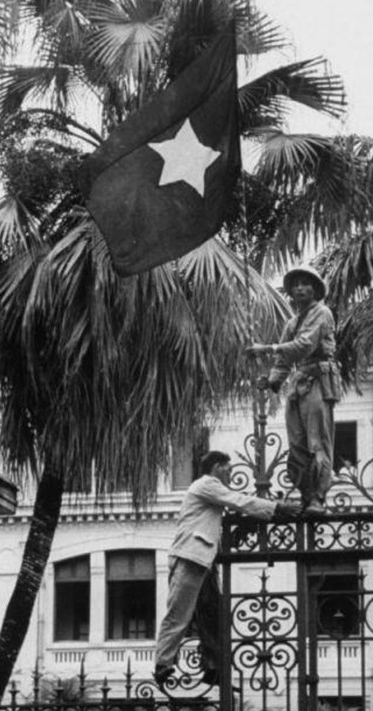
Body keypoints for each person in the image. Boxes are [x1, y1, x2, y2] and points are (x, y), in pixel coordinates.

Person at [153, 450, 301, 687]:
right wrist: (278, 507)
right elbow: (239, 501)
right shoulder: (205, 485)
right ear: (216, 467)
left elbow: (236, 507)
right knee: (179, 612)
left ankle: (213, 668)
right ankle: (163, 663)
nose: (231, 473)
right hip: (190, 557)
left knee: (214, 614)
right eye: (228, 468)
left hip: (204, 560)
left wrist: (263, 513)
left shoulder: (211, 492)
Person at [246, 265, 340, 516]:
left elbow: (304, 345)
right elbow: (285, 362)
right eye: (295, 284)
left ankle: (319, 497)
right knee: (297, 445)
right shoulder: (292, 322)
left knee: (317, 441)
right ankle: (306, 495)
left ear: (315, 289)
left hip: (319, 380)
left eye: (305, 284)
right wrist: (272, 381)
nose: (300, 288)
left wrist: (267, 348)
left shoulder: (322, 313)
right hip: (298, 384)